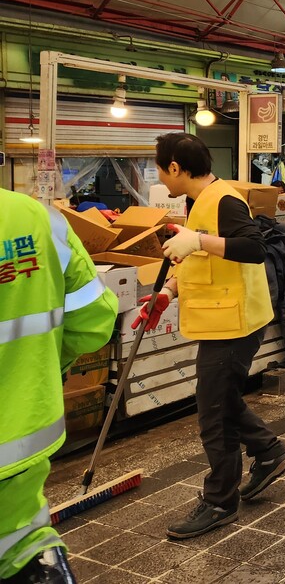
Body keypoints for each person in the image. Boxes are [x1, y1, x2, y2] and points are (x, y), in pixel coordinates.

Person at [143, 133, 285, 540]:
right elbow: (200, 260)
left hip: (235, 322)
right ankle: (269, 452)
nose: (160, 176)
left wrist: (199, 239)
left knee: (213, 414)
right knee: (222, 400)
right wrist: (166, 292)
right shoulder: (199, 202)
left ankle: (220, 501)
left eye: (159, 168)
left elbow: (254, 247)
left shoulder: (223, 199)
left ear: (175, 167)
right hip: (221, 319)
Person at [0, 189, 118, 583]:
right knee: (22, 545)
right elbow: (93, 322)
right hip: (20, 448)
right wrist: (38, 369)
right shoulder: (37, 218)